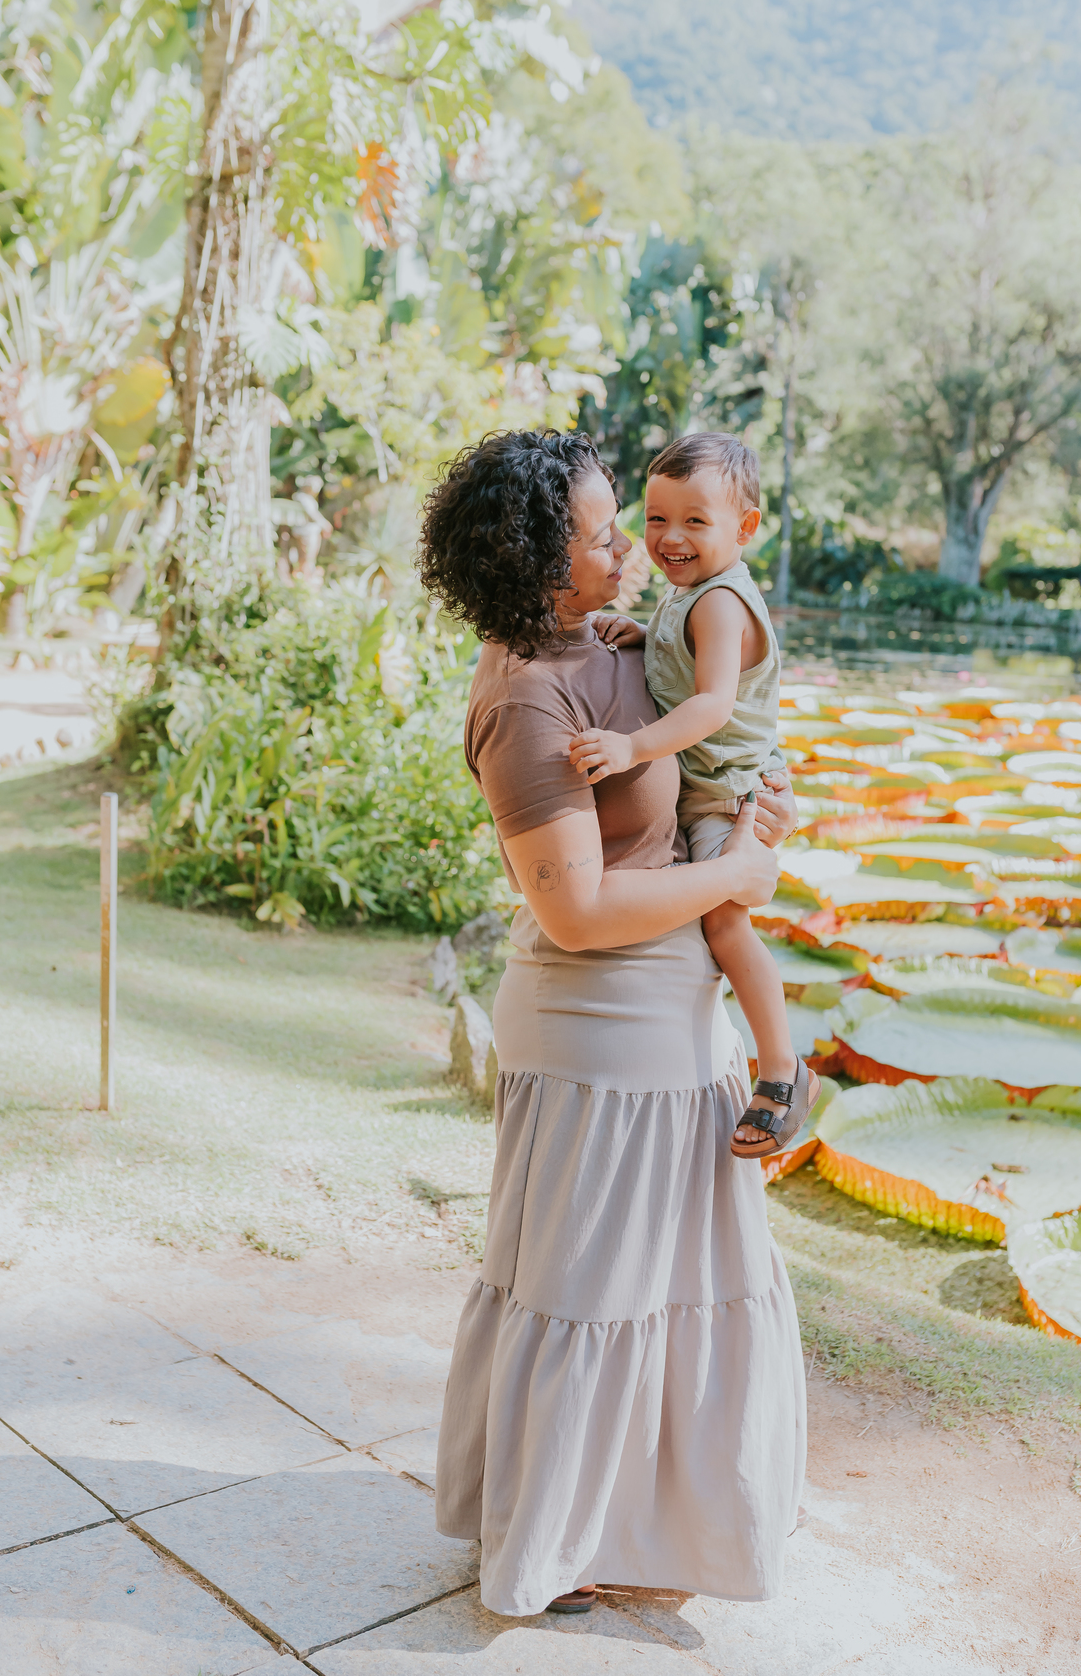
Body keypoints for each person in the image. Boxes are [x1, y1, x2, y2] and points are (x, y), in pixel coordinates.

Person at [419, 428, 807, 1618]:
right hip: (598, 1031)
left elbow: (705, 731)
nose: (632, 553)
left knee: (672, 1289)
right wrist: (734, 876)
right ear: (543, 564)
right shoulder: (527, 696)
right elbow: (580, 910)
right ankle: (549, 1537)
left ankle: (639, 1520)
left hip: (672, 1020)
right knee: (588, 1298)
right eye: (603, 536)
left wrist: (751, 819)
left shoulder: (608, 639)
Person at [569, 433, 817, 1158]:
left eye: (695, 521)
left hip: (726, 799)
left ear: (746, 528)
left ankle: (781, 1070)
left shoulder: (720, 604)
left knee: (726, 926)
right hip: (708, 785)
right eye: (655, 519)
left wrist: (629, 748)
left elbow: (710, 706)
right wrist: (642, 634)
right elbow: (683, 661)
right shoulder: (691, 596)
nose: (670, 538)